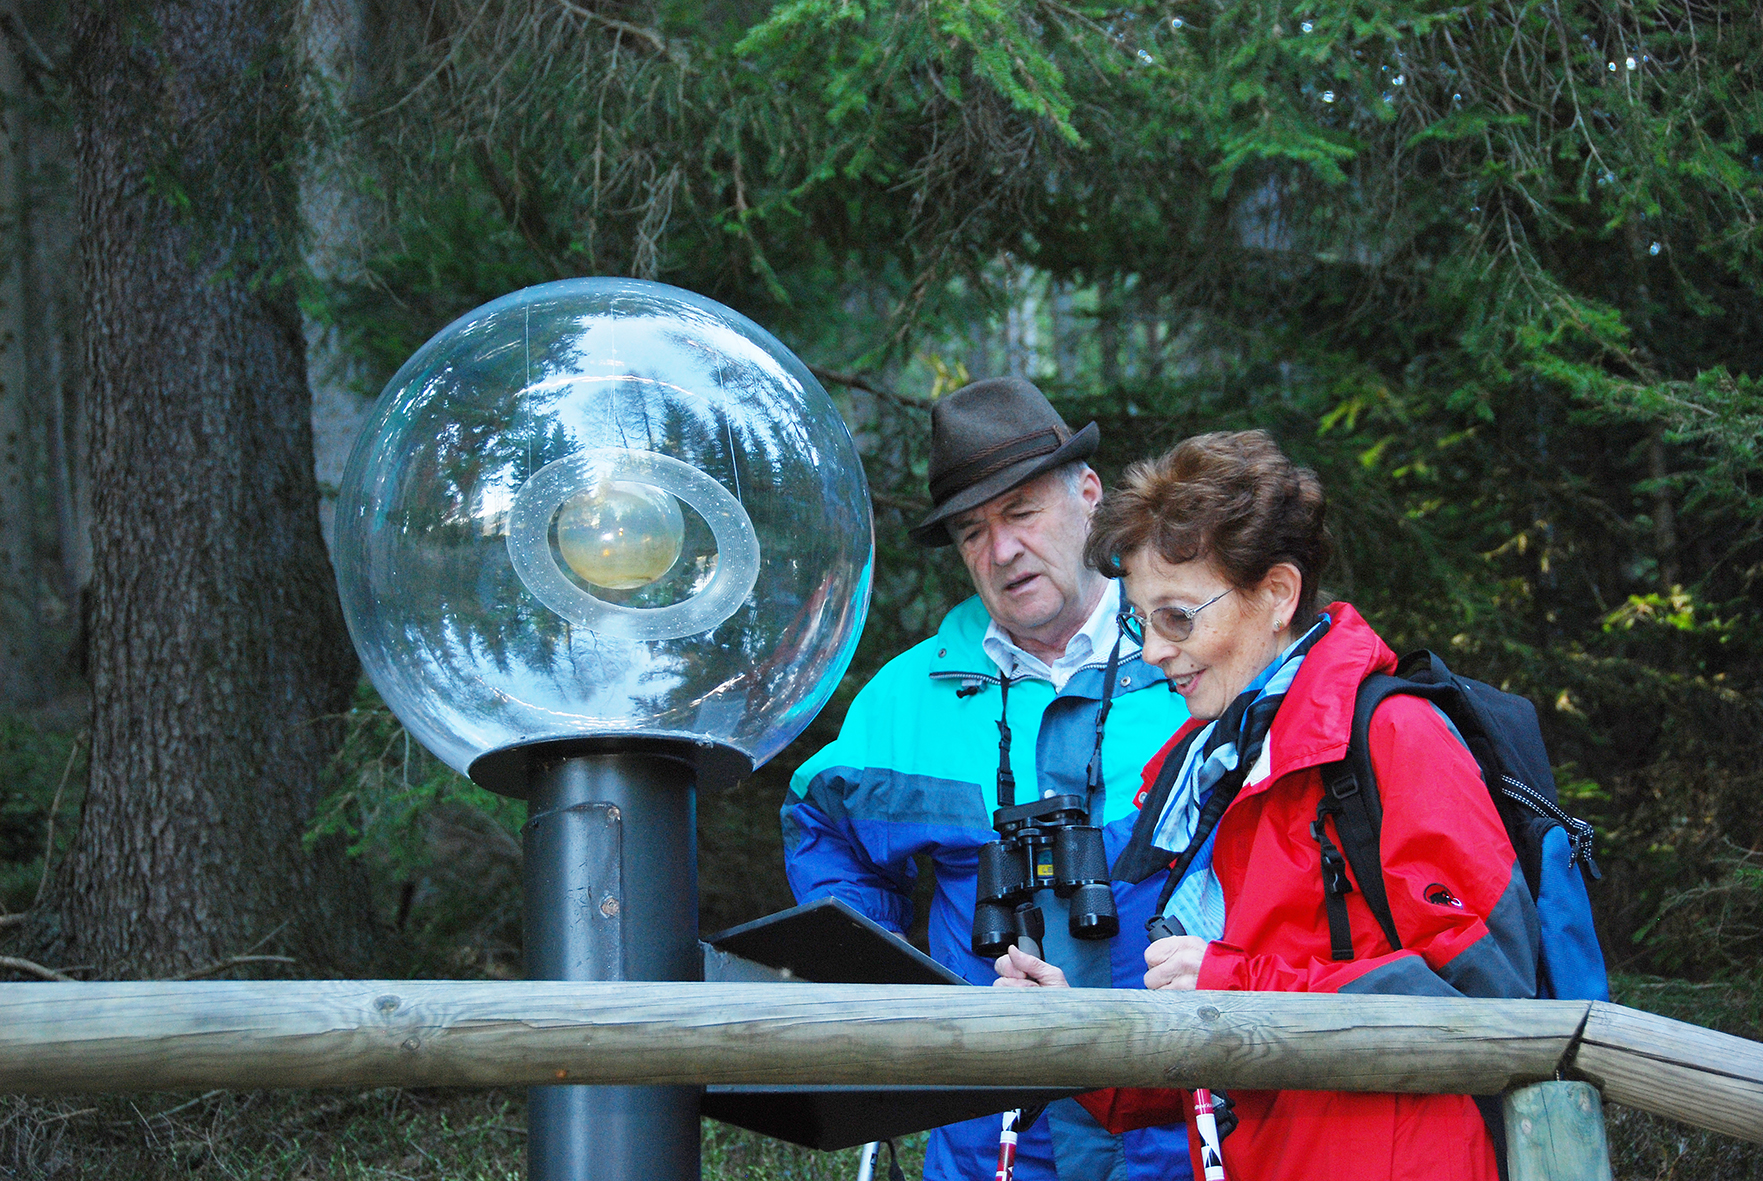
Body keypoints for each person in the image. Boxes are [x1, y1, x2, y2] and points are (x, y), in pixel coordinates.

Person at [995, 430, 1536, 1181]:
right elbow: (1220, 1052)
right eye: (1140, 620)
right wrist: (1072, 1031)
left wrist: (1231, 985)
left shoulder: (1393, 738)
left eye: (1178, 616)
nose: (1152, 651)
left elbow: (1491, 1005)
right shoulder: (1217, 769)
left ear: (1277, 593)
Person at [783, 377, 1195, 1181]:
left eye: (1021, 512)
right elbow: (823, 824)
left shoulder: (1190, 653)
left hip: (1184, 1122)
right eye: (972, 531)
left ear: (1089, 495)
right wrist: (894, 987)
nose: (1001, 551)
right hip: (988, 1140)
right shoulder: (907, 696)